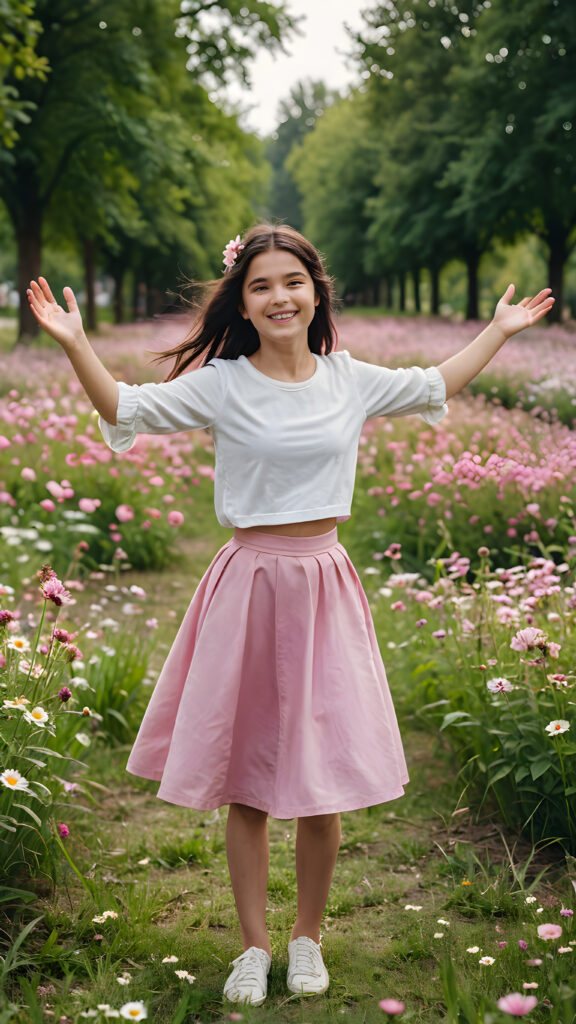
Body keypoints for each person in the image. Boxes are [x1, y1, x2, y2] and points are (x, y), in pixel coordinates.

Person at [27, 224, 554, 1007]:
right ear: (244, 302)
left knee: (321, 780)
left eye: (292, 282)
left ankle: (307, 938)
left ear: (316, 292)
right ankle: (253, 946)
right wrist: (74, 342)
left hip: (323, 583)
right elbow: (126, 406)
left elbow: (436, 382)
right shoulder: (224, 383)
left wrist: (500, 331)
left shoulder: (350, 379)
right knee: (248, 779)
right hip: (248, 582)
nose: (279, 297)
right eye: (261, 286)